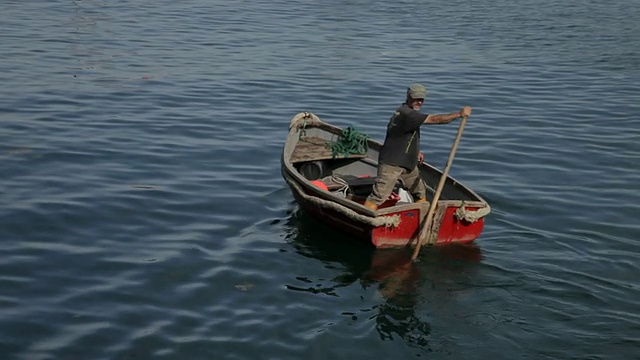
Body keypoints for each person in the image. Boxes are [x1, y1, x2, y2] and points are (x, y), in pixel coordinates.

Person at [363, 83, 472, 211]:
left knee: (419, 191)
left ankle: (422, 217)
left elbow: (401, 136)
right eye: (416, 99)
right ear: (408, 96)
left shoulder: (403, 112)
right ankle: (365, 217)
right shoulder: (407, 114)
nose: (419, 102)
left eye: (421, 99)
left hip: (407, 163)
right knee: (379, 196)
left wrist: (415, 152)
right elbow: (436, 119)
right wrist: (459, 114)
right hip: (392, 164)